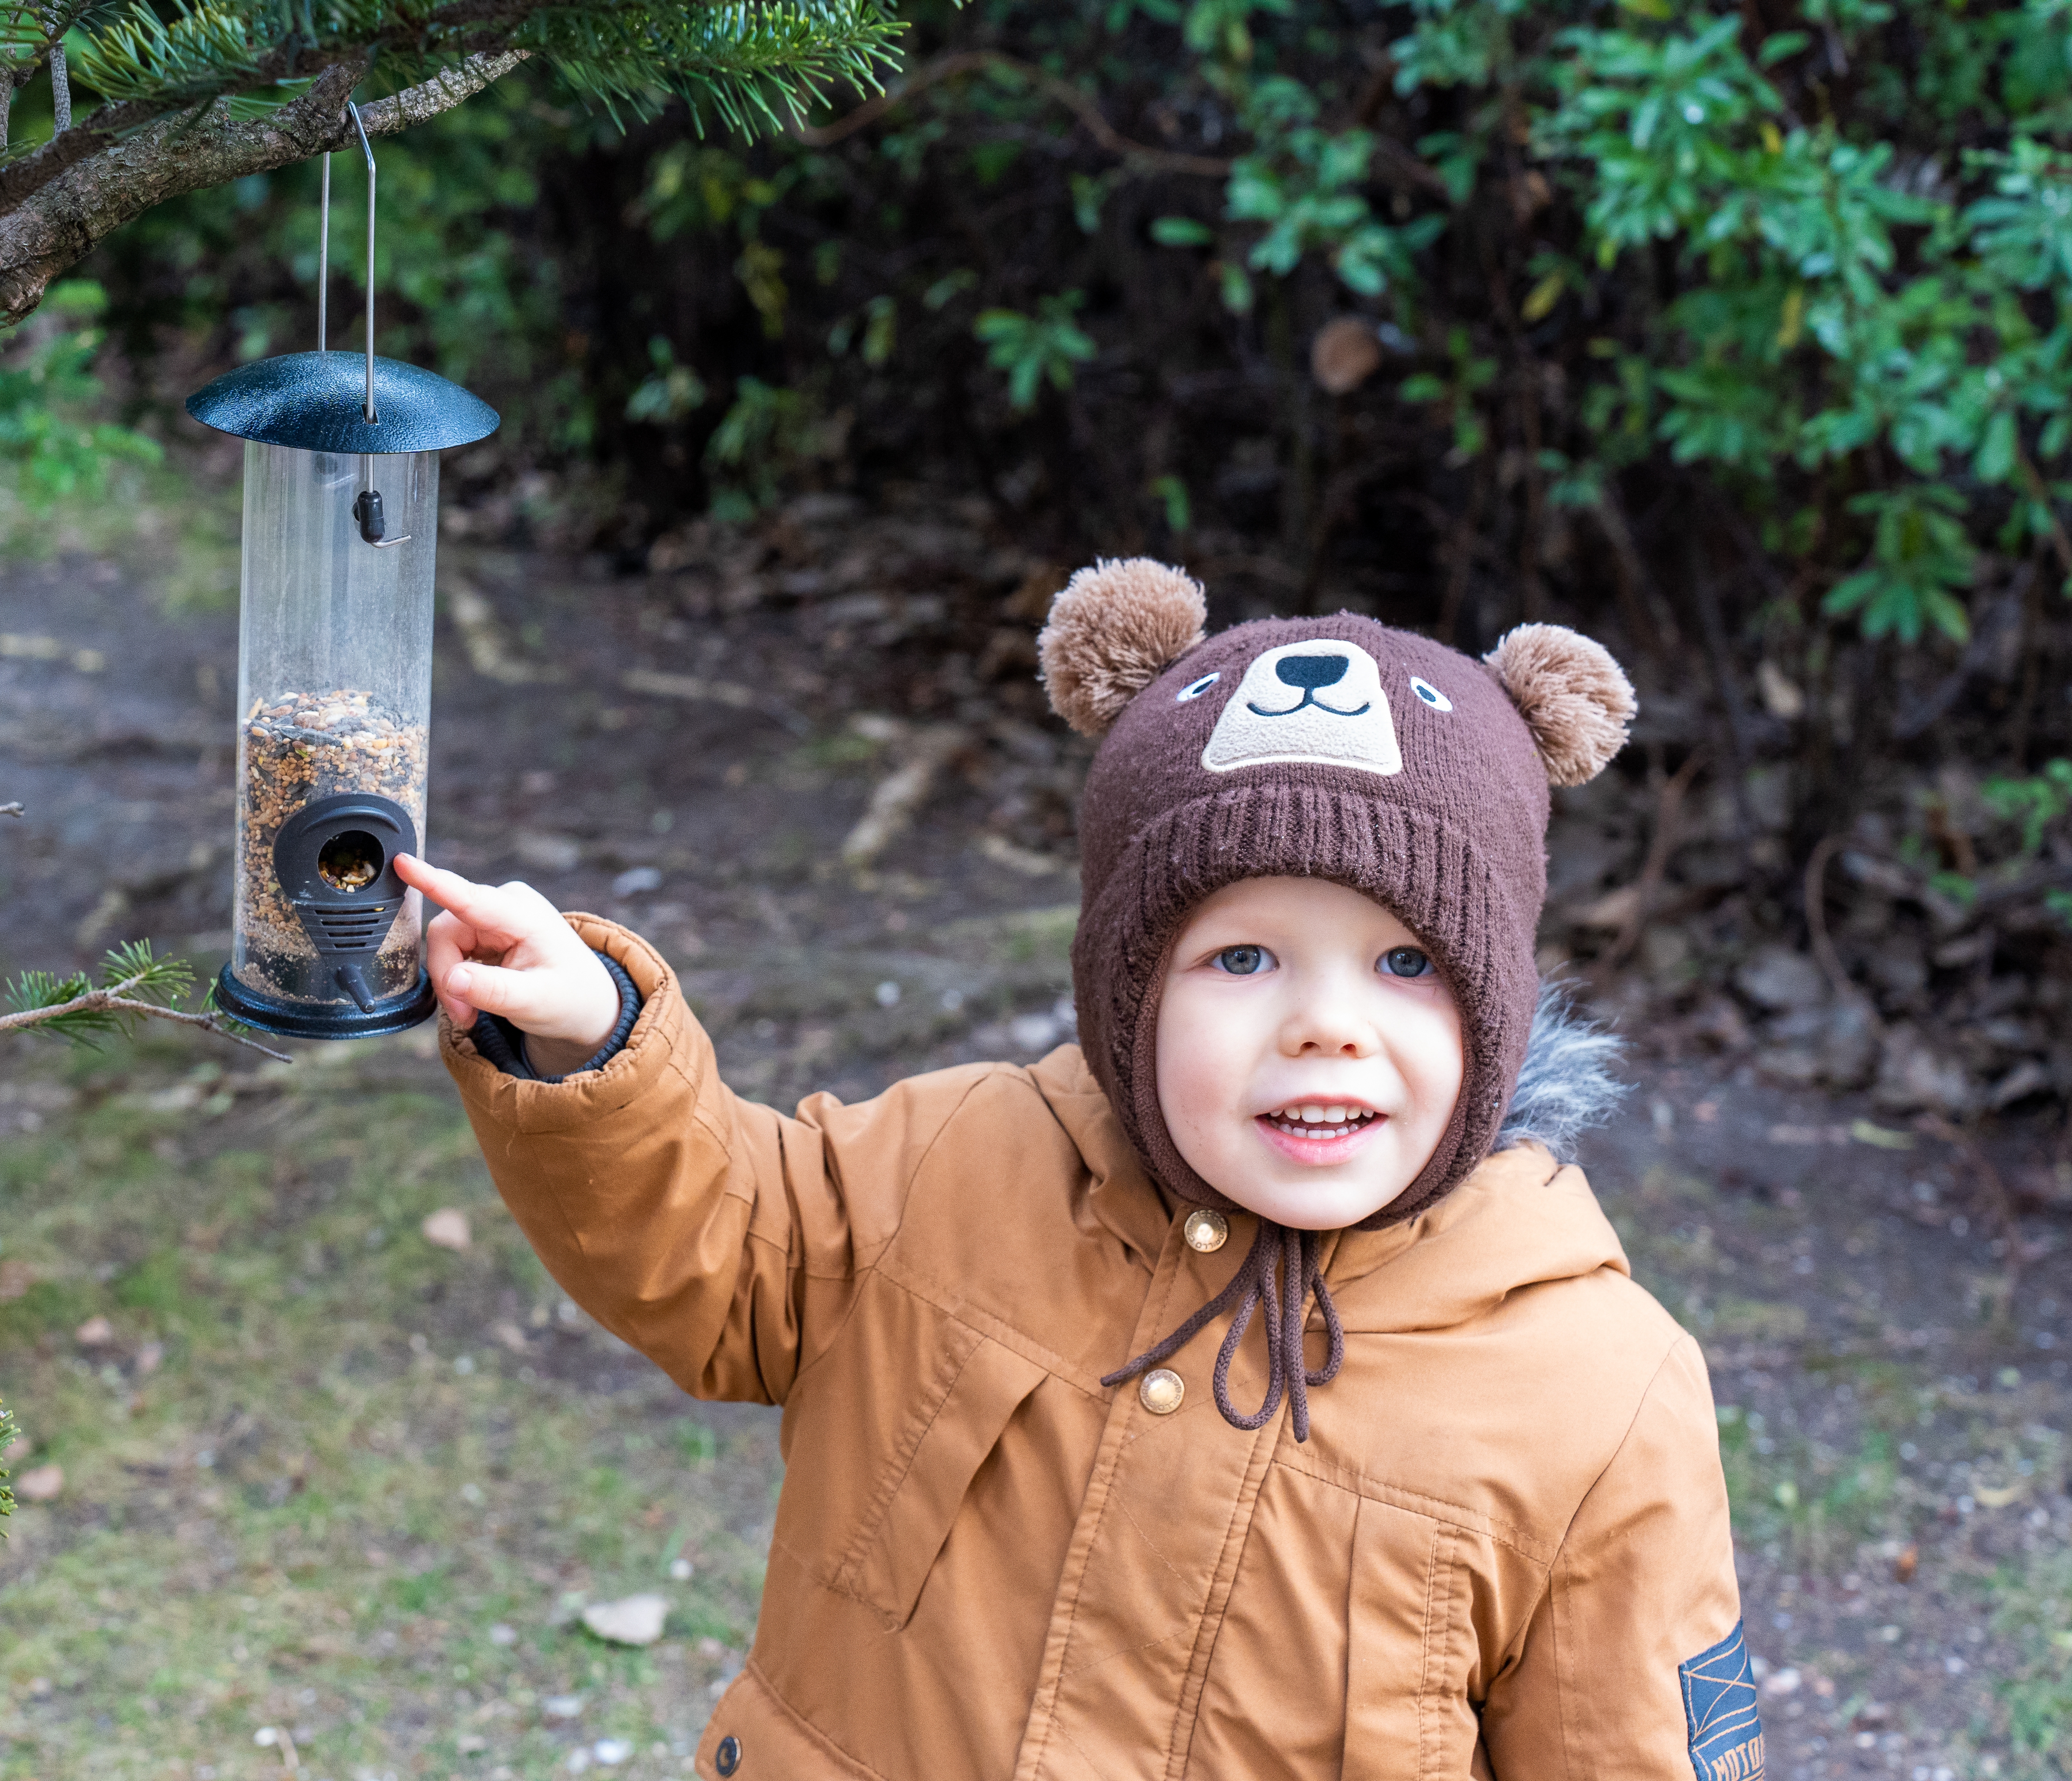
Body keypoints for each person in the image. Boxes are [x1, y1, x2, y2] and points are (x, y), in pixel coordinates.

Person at [391, 559, 1760, 1781]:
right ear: (1127, 995)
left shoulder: (1597, 1396)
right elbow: (726, 1257)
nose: (1326, 1024)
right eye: (1242, 958)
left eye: (1407, 963)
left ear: (1496, 1006)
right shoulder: (956, 1163)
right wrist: (595, 1045)